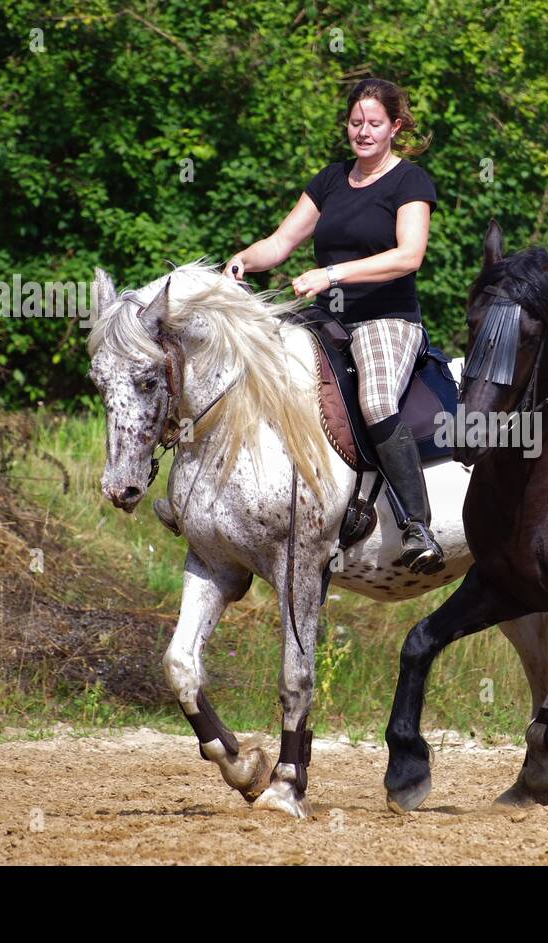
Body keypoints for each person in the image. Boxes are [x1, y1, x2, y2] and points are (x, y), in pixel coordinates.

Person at [161, 78, 444, 573]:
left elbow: (408, 256)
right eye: (355, 123)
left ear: (395, 127)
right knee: (243, 369)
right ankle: (193, 494)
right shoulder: (331, 179)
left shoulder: (410, 181)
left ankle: (417, 525)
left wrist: (331, 274)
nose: (363, 132)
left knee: (376, 401)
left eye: (374, 124)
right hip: (325, 319)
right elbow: (279, 243)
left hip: (385, 319)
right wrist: (241, 260)